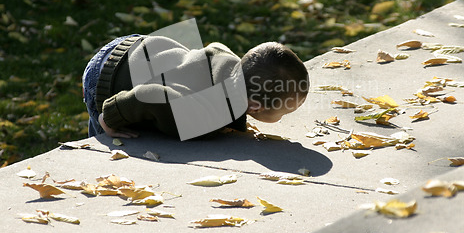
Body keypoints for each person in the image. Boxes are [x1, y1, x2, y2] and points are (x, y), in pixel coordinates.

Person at [82, 33, 309, 139]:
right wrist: (111, 116)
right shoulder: (209, 114)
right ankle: (104, 125)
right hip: (108, 77)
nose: (285, 117)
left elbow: (217, 46)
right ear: (255, 107)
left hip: (135, 45)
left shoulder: (232, 65)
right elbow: (149, 93)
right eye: (286, 111)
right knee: (110, 138)